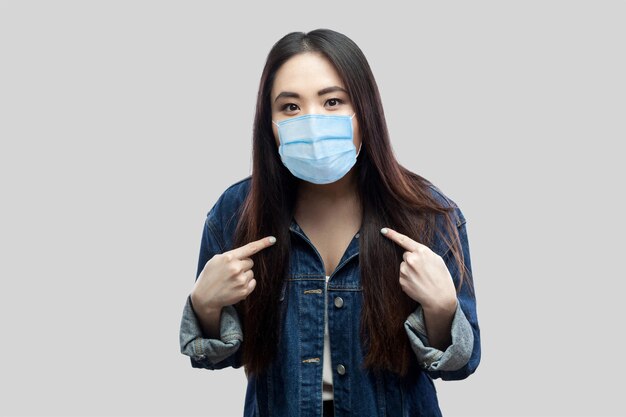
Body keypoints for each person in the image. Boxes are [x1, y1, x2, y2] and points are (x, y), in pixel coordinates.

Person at [179, 28, 481, 417]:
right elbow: (215, 360)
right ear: (268, 121)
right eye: (290, 107)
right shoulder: (235, 213)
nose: (312, 121)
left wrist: (441, 308)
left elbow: (461, 366)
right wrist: (205, 305)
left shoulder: (428, 215)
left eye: (332, 101)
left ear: (364, 109)